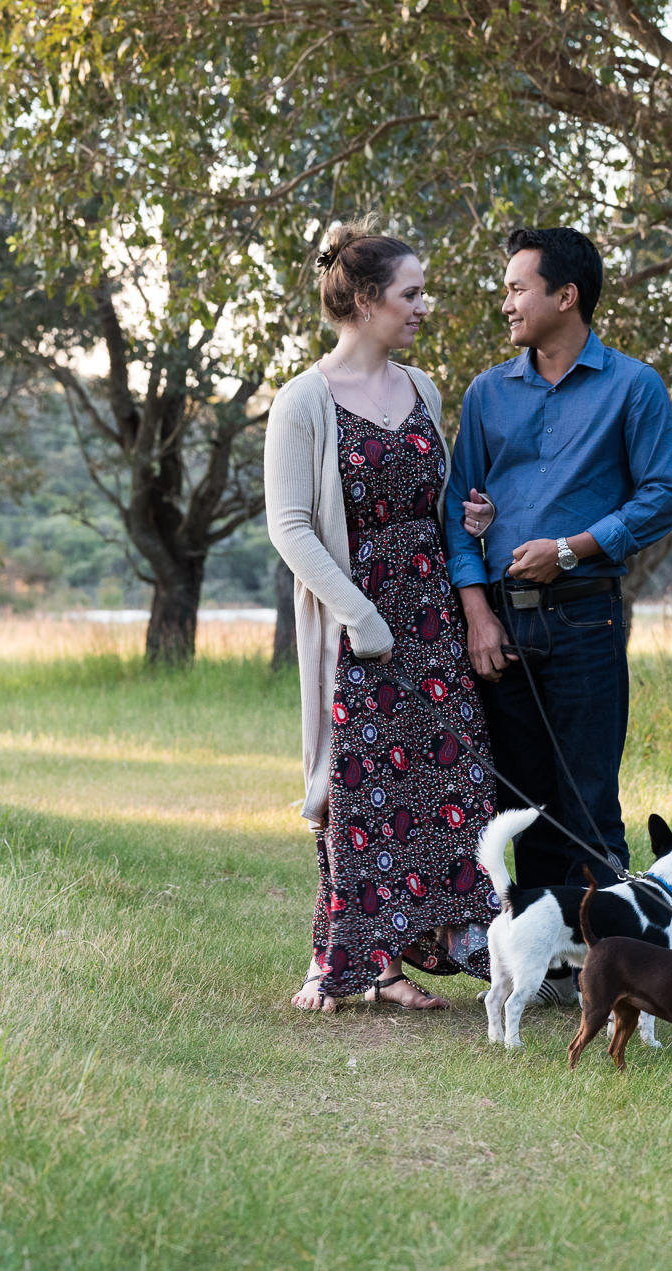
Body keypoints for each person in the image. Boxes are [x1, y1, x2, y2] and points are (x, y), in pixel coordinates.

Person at [266, 222, 502, 1013]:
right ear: (366, 301)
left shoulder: (425, 389)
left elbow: (435, 502)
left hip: (431, 616)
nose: (423, 306)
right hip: (355, 623)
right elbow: (290, 524)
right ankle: (341, 960)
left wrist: (469, 519)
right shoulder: (303, 401)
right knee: (356, 792)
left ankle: (402, 960)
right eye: (411, 293)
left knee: (444, 782)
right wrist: (360, 615)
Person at [444, 226, 672, 981]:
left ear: (565, 296)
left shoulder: (633, 387)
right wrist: (478, 614)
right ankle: (545, 966)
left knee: (586, 798)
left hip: (586, 614)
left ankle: (612, 971)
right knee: (520, 797)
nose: (507, 301)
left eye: (519, 287)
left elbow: (662, 498)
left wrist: (573, 547)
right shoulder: (487, 393)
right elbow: (458, 509)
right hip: (503, 623)